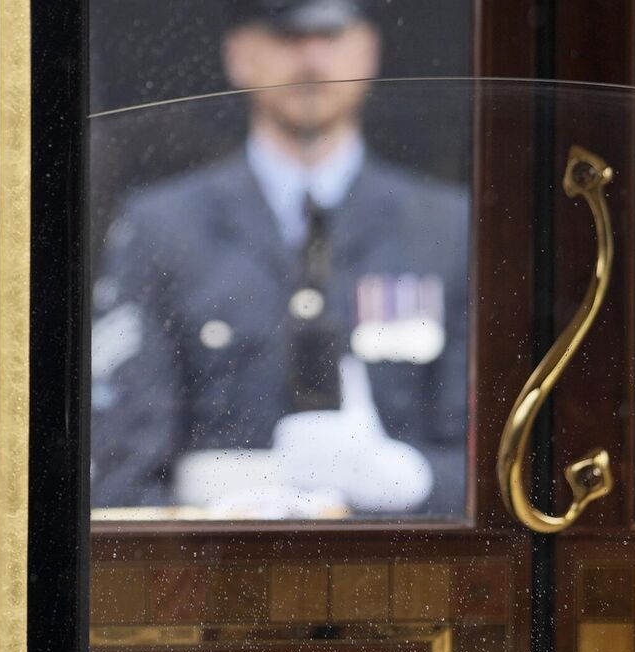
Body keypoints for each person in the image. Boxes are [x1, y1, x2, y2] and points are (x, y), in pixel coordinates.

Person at [90, 0, 469, 518]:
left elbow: (493, 464)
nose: (311, 60)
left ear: (368, 50)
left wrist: (411, 479)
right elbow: (119, 465)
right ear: (239, 55)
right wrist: (201, 527)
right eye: (286, 37)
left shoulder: (446, 229)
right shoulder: (164, 230)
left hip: (401, 578)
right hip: (212, 577)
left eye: (330, 36)